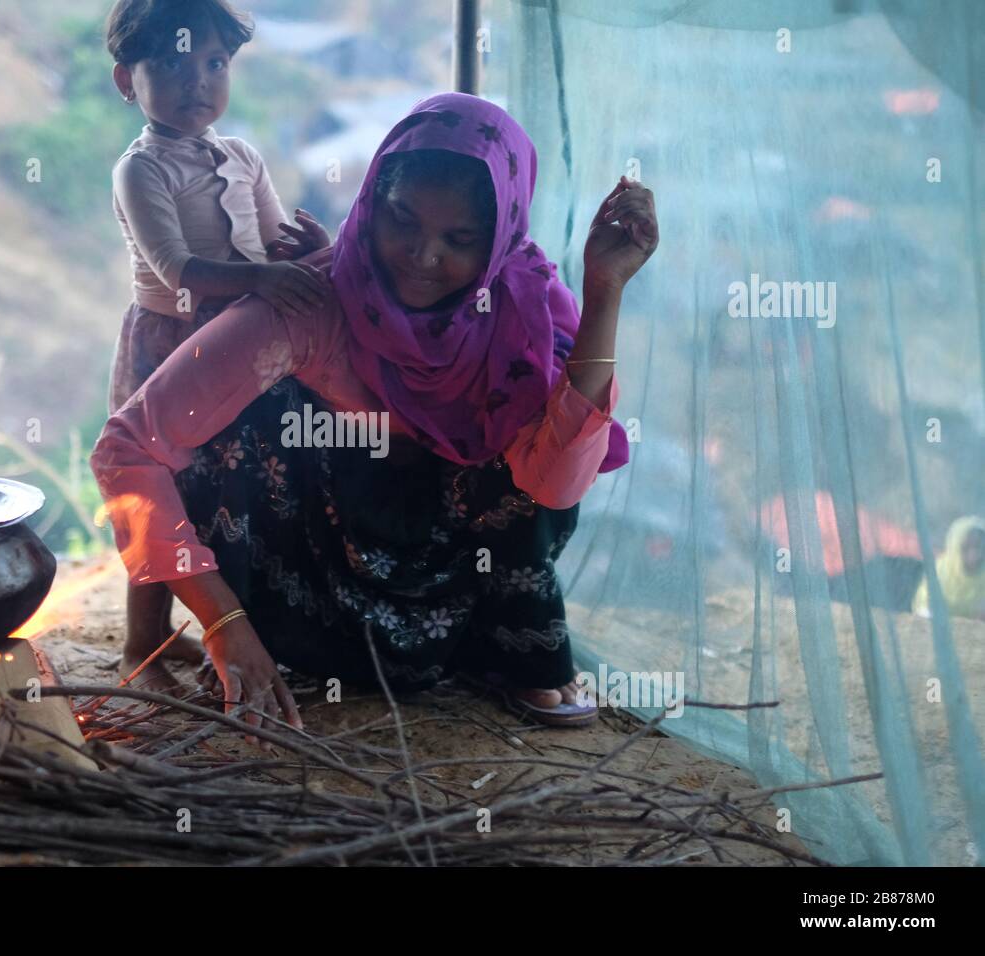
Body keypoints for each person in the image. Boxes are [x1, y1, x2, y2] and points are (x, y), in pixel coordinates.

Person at [91, 93, 659, 733]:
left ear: (500, 238)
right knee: (233, 424)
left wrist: (604, 292)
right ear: (370, 205)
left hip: (450, 566)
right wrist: (224, 623)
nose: (422, 257)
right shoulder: (309, 303)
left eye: (459, 239)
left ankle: (505, 648)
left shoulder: (520, 308)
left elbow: (557, 483)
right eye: (402, 221)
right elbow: (128, 446)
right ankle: (280, 641)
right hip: (316, 563)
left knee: (542, 432)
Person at [104, 0, 333, 678]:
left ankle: (235, 630)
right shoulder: (140, 169)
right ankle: (141, 642)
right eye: (171, 64)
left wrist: (308, 250)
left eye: (213, 63)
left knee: (238, 495)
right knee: (155, 492)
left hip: (244, 347)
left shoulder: (243, 157)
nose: (196, 82)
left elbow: (272, 245)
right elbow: (179, 269)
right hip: (169, 344)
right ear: (126, 82)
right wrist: (267, 275)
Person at [911, 516, 985, 620]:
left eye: (978, 546)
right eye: (966, 547)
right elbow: (924, 605)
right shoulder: (940, 571)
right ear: (954, 547)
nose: (974, 554)